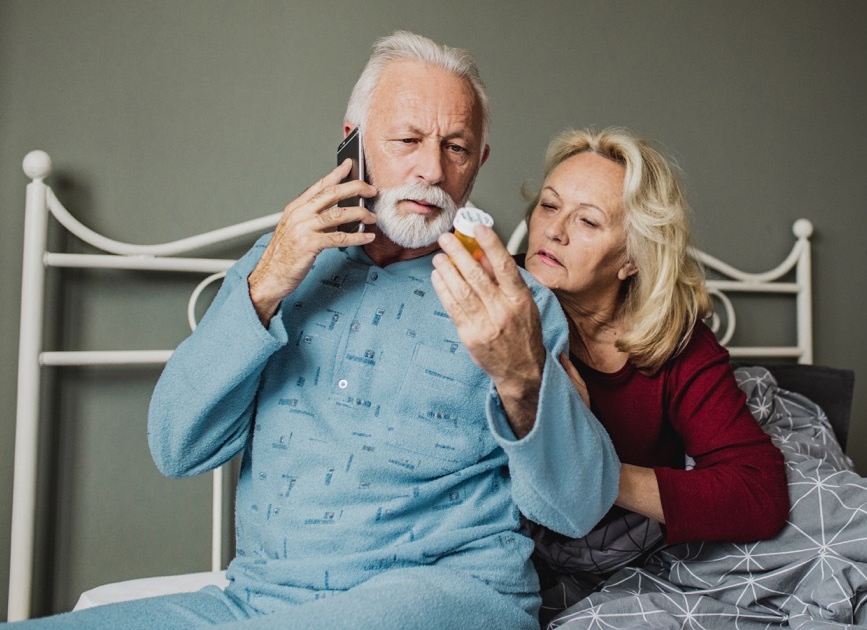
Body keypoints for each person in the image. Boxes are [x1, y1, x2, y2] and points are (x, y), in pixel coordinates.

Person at [19, 31, 619, 630]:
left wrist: (521, 374)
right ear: (352, 141)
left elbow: (576, 507)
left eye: (456, 148)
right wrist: (266, 284)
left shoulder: (512, 299)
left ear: (478, 162)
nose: (432, 169)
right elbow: (177, 445)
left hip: (447, 596)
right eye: (407, 140)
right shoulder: (277, 262)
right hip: (260, 602)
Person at [442, 127, 788, 620]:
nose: (554, 231)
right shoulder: (492, 299)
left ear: (632, 258)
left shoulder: (674, 339)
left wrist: (586, 468)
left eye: (587, 221)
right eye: (548, 205)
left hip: (630, 554)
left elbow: (759, 492)